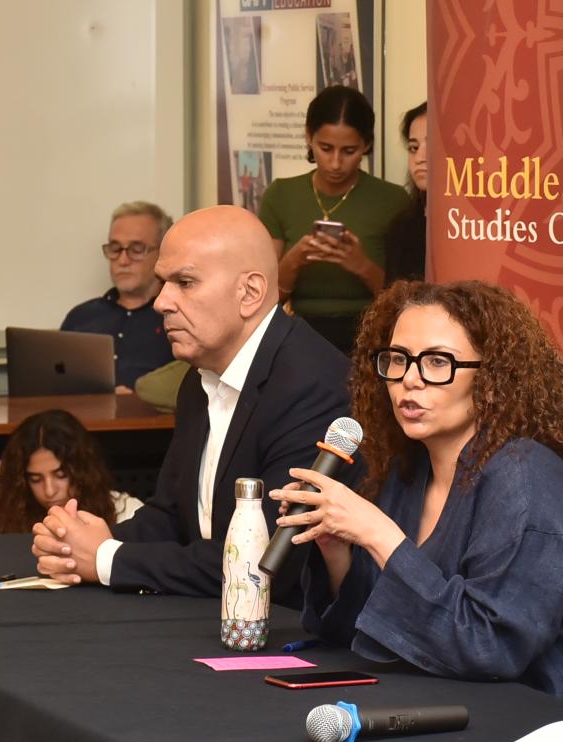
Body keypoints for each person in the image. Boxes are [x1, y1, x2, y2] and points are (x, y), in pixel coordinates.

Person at [271, 280, 563, 704]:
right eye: (398, 360)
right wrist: (337, 553)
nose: (410, 381)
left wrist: (377, 533)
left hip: (545, 722)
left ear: (493, 379)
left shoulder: (525, 476)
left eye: (438, 362)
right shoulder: (405, 470)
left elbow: (492, 649)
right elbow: (369, 631)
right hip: (445, 705)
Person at [30, 206, 352, 601]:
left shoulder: (311, 384)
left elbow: (263, 561)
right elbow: (172, 516)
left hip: (288, 639)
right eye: (164, 283)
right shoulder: (199, 379)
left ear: (249, 292)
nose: (162, 302)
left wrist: (105, 558)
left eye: (185, 282)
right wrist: (77, 543)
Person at [258, 86, 410, 353]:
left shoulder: (393, 201)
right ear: (309, 138)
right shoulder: (281, 195)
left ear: (367, 145)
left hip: (371, 332)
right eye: (325, 148)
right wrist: (295, 260)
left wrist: (360, 265)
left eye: (349, 151)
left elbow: (406, 301)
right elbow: (264, 298)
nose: (335, 163)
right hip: (299, 329)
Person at [60, 201, 175, 391]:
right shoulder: (80, 318)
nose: (122, 260)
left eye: (136, 249)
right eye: (115, 248)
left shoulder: (178, 317)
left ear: (162, 253)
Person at [0, 410, 143, 534]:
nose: (49, 491)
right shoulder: (8, 518)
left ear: (83, 470)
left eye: (61, 475)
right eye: (36, 479)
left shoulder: (127, 513)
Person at [384, 101, 429, 283]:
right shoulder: (402, 225)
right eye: (413, 148)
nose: (419, 158)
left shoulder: (472, 226)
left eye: (431, 145)